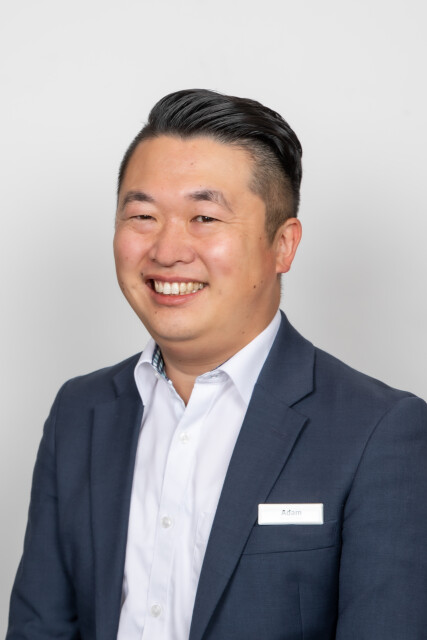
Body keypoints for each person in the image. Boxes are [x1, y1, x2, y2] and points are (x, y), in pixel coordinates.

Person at [6, 89, 427, 640]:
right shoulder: (80, 411)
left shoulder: (379, 431)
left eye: (204, 217)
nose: (167, 251)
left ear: (283, 245)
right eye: (143, 215)